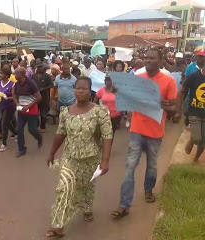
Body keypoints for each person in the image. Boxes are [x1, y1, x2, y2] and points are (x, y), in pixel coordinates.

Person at [111, 49, 177, 218]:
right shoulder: (137, 79)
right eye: (146, 58)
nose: (147, 61)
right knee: (129, 167)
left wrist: (162, 105)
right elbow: (130, 100)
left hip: (155, 131)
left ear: (160, 60)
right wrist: (119, 92)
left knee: (152, 165)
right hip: (137, 130)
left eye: (152, 58)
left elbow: (173, 108)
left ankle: (148, 189)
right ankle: (124, 204)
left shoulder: (169, 81)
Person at [46, 76, 113, 238]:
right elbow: (60, 133)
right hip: (70, 158)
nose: (80, 91)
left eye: (83, 88)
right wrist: (52, 152)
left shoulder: (99, 111)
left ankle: (86, 208)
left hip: (91, 158)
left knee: (86, 187)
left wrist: (105, 160)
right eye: (77, 88)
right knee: (64, 188)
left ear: (89, 91)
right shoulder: (65, 112)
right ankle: (58, 225)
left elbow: (107, 136)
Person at [174, 49, 205, 163]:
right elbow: (182, 91)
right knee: (198, 137)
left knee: (203, 141)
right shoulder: (194, 75)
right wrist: (178, 110)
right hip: (194, 112)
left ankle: (196, 159)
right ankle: (193, 139)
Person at [13, 67, 42, 158]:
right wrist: (17, 103)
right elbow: (13, 94)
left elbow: (39, 97)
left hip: (31, 110)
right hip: (21, 110)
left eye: (16, 74)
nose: (14, 75)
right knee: (19, 130)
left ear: (22, 74)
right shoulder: (17, 84)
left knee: (32, 129)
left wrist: (28, 106)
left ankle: (39, 137)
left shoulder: (31, 83)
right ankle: (22, 149)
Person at [0, 67, 18, 152]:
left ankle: (4, 144)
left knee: (4, 124)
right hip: (2, 105)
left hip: (10, 106)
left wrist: (6, 97)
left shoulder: (12, 84)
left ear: (6, 75)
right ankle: (17, 133)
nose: (0, 75)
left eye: (1, 73)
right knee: (7, 122)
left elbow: (15, 97)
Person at [32, 59, 53, 132]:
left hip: (44, 97)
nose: (39, 68)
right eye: (38, 67)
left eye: (41, 66)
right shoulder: (33, 76)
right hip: (35, 98)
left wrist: (44, 88)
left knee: (43, 114)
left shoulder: (47, 76)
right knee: (35, 113)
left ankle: (42, 127)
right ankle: (37, 125)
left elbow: (51, 85)